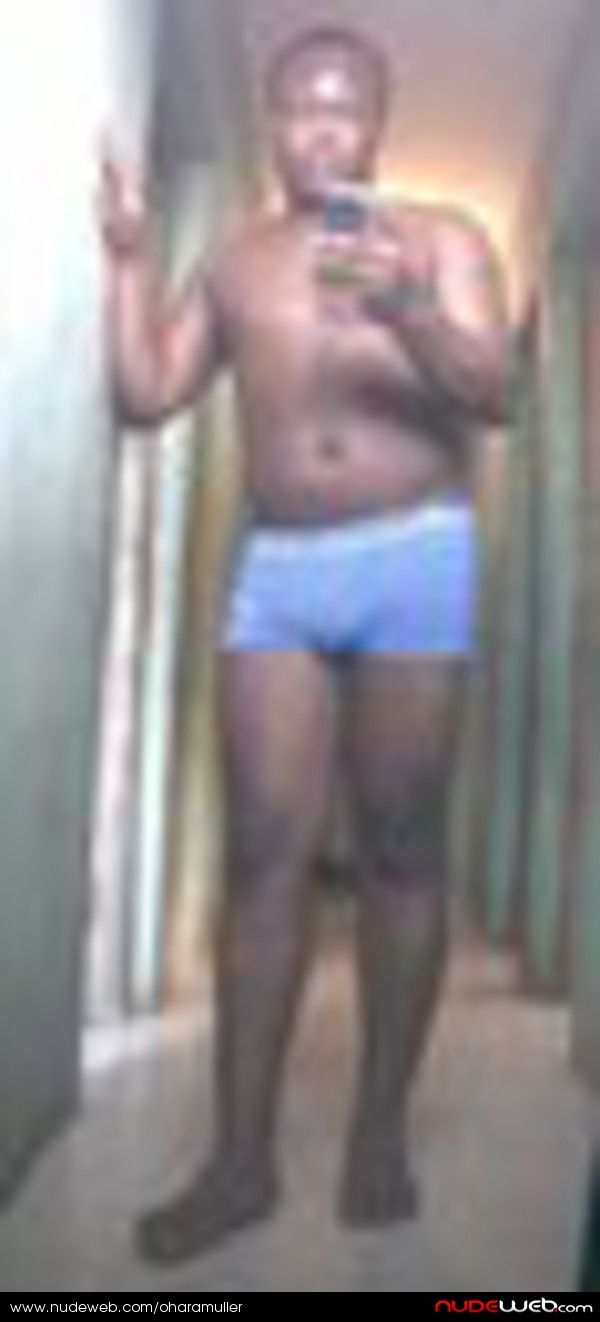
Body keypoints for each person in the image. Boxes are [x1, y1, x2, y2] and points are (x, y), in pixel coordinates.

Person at [100, 25, 512, 1264]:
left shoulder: (445, 237)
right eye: (297, 109)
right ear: (274, 121)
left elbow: (497, 391)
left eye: (343, 109)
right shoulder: (235, 260)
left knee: (400, 847)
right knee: (265, 855)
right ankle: (239, 1160)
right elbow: (147, 393)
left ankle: (378, 1130)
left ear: (378, 120)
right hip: (279, 572)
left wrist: (409, 308)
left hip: (415, 554)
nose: (319, 131)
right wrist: (128, 261)